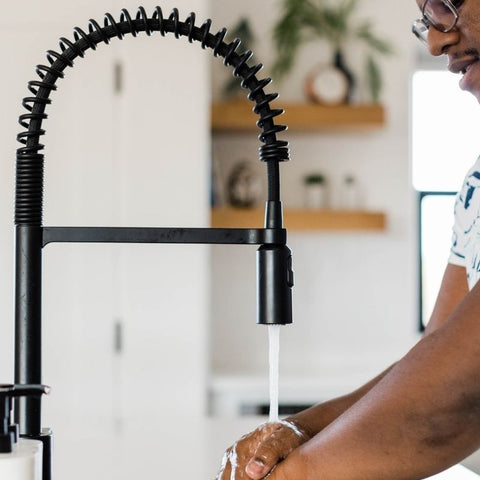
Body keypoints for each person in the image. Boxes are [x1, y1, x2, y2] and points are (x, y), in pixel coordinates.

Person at [216, 0, 480, 478]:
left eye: (447, 4)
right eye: (427, 19)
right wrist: (299, 430)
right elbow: (438, 354)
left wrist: (296, 473)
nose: (436, 39)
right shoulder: (477, 182)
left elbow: (460, 397)